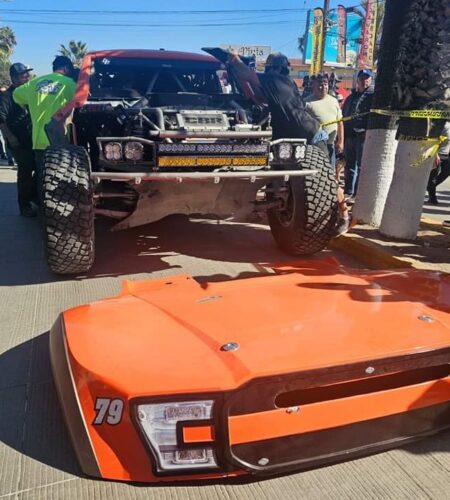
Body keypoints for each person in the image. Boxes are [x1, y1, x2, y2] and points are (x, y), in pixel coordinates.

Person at [228, 50, 350, 235]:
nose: (267, 72)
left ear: (274, 69)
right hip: (304, 135)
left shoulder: (274, 80)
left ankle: (344, 217)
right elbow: (260, 97)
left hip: (310, 136)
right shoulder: (285, 83)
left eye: (268, 69)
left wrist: (233, 59)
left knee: (326, 180)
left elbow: (247, 74)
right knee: (295, 179)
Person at [13, 56, 76, 172]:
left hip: (39, 143)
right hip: (60, 141)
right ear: (66, 68)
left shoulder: (33, 83)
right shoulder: (70, 84)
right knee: (60, 181)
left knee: (42, 180)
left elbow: (16, 94)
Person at [0, 63, 36, 216]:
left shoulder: (28, 93)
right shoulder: (6, 96)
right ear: (14, 79)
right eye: (23, 75)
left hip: (32, 139)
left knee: (40, 168)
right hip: (18, 142)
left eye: (27, 75)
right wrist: (11, 137)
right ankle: (24, 205)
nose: (27, 78)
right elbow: (1, 120)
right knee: (25, 172)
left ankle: (34, 197)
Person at [342, 68, 374, 199]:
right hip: (349, 135)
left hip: (362, 135)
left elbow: (373, 116)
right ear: (358, 80)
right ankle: (348, 191)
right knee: (349, 165)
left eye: (367, 78)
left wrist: (368, 131)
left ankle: (358, 193)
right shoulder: (351, 96)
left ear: (371, 80)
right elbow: (344, 114)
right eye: (362, 78)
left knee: (361, 166)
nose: (364, 81)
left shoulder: (373, 97)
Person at [304, 74, 344, 168]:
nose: (323, 87)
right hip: (314, 146)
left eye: (325, 84)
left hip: (330, 145)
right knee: (315, 172)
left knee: (330, 171)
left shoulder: (334, 101)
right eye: (320, 84)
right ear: (313, 86)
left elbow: (340, 122)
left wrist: (341, 141)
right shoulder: (306, 102)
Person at [427, 121, 450, 204]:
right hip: (437, 155)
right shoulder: (444, 126)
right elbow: (434, 140)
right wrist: (435, 155)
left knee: (446, 172)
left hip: (446, 156)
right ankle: (432, 198)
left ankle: (429, 187)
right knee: (433, 176)